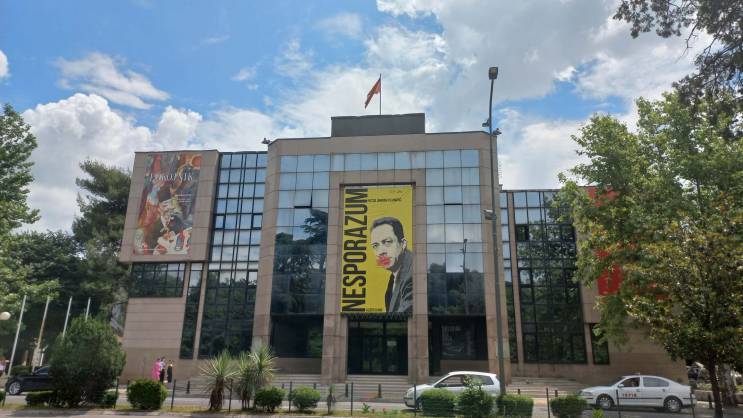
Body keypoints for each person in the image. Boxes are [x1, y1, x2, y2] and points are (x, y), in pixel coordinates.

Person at [370, 217, 413, 313]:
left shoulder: (412, 273)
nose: (381, 252)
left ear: (403, 244)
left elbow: (402, 316)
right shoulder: (395, 275)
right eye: (375, 246)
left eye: (387, 242)